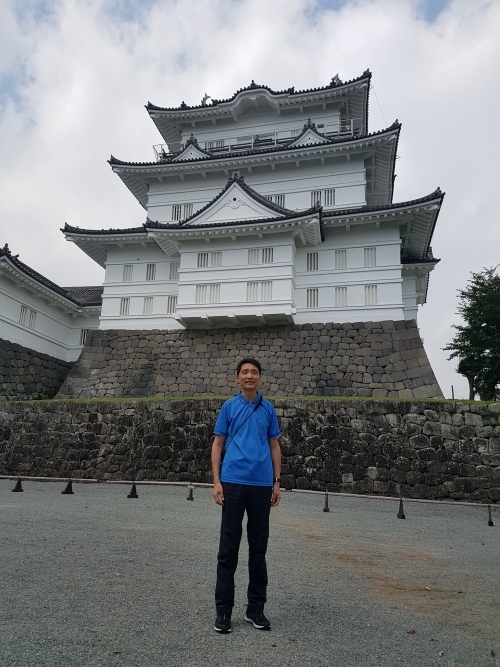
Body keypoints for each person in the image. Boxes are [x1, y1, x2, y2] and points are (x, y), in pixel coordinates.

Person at [211, 357, 281, 634]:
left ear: (260, 377)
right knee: (228, 549)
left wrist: (277, 482)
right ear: (237, 377)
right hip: (233, 482)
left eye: (254, 372)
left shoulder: (268, 408)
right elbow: (217, 444)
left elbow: (274, 446)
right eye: (245, 372)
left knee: (258, 548)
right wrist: (217, 481)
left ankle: (256, 609)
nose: (249, 376)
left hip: (261, 484)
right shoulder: (229, 407)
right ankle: (223, 611)